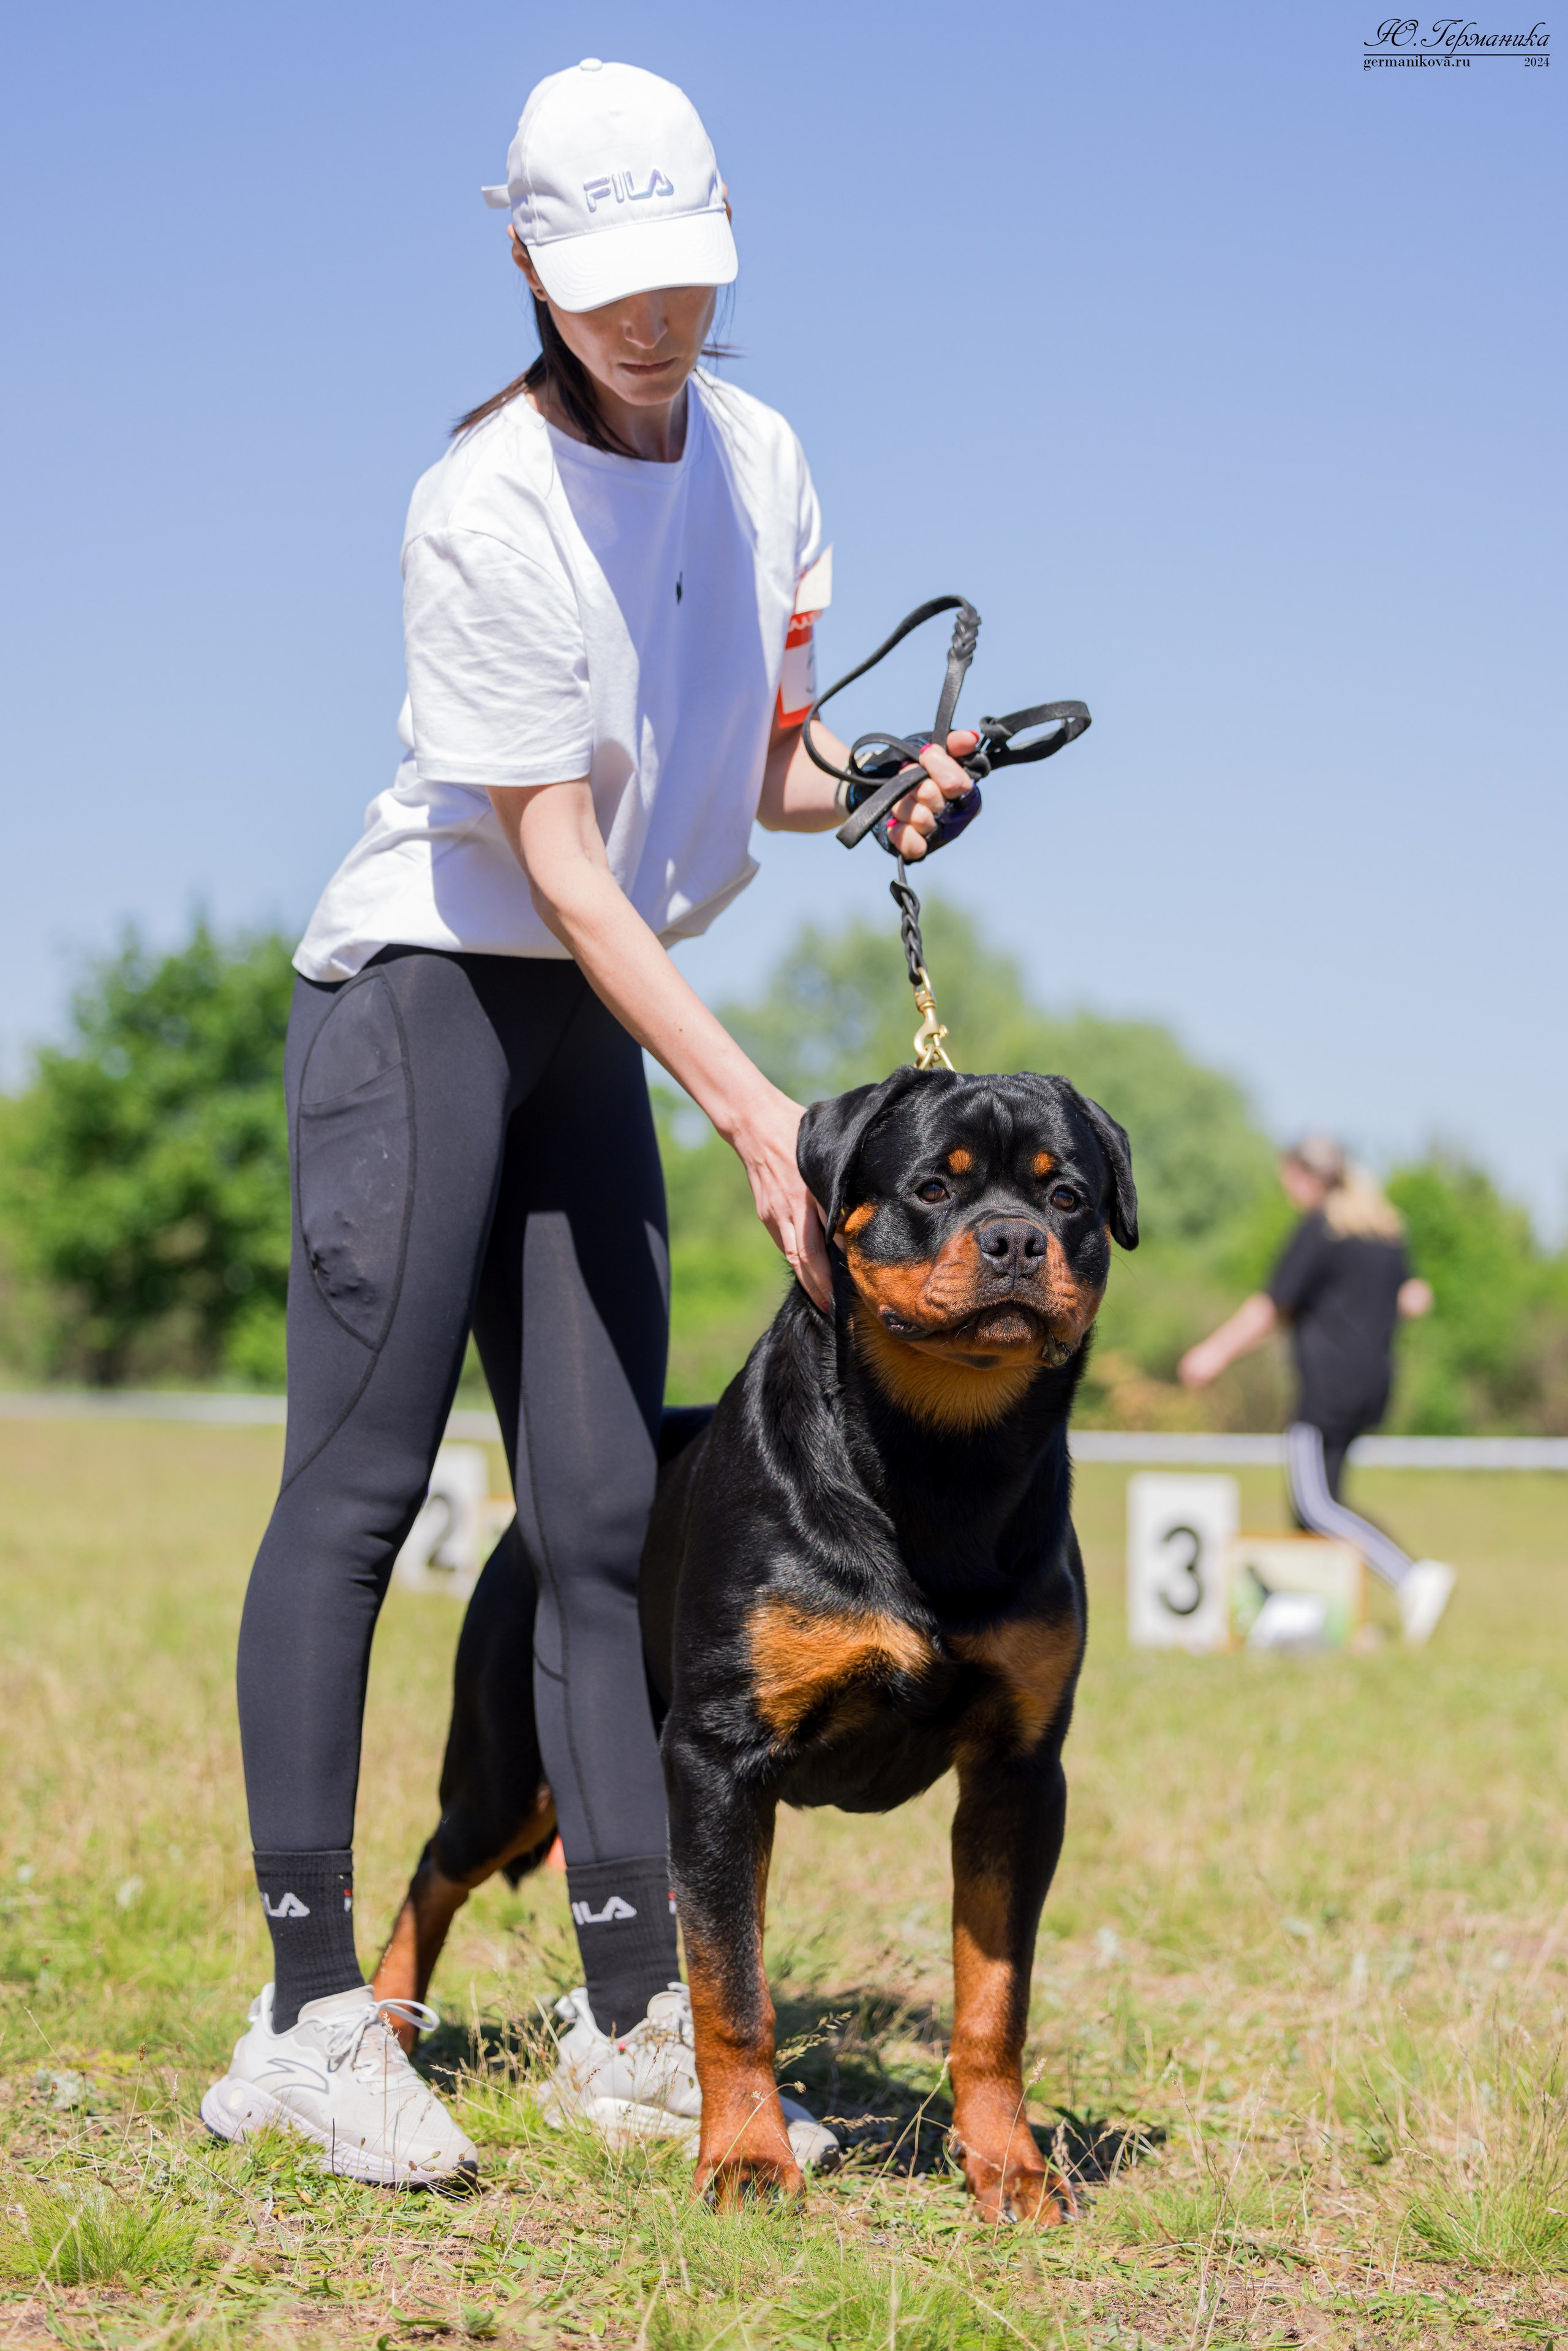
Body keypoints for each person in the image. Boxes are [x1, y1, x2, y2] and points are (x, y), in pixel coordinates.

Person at [201, 59, 979, 2186]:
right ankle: (303, 2011)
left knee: (607, 1510)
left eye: (686, 277)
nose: (652, 317)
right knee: (358, 1494)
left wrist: (881, 785)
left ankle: (635, 2013)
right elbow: (555, 865)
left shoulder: (764, 458)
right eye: (609, 280)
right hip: (432, 997)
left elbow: (755, 774)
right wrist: (749, 1103)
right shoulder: (485, 504)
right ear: (529, 259)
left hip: (587, 1018)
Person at [1178, 1134, 1455, 1647]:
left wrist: (1213, 1353)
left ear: (1307, 1178)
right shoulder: (1385, 1230)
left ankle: (1412, 1576)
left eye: (1290, 1183)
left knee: (1315, 1505)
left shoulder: (1322, 1229)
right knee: (1324, 1502)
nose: (1291, 1195)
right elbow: (1414, 1297)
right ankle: (1332, 1622)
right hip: (1373, 1384)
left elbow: (1271, 1307)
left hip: (1328, 1387)